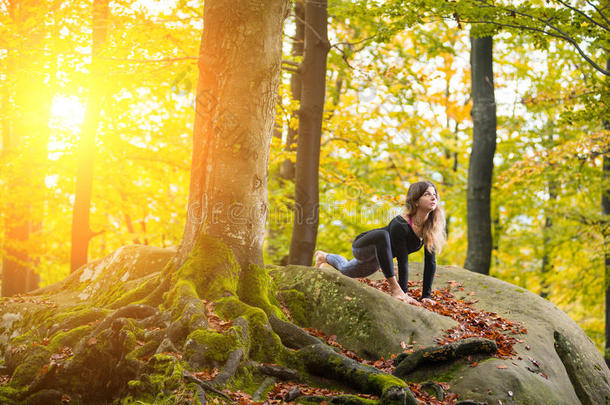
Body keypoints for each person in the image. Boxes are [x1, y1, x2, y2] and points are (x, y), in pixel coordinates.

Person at [315, 180, 446, 306]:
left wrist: (426, 296)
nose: (433, 198)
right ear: (416, 201)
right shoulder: (401, 224)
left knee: (345, 269)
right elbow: (402, 259)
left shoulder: (430, 227)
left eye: (434, 194)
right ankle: (396, 289)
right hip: (364, 246)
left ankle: (323, 256)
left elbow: (430, 262)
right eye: (427, 194)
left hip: (379, 259)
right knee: (383, 235)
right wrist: (402, 292)